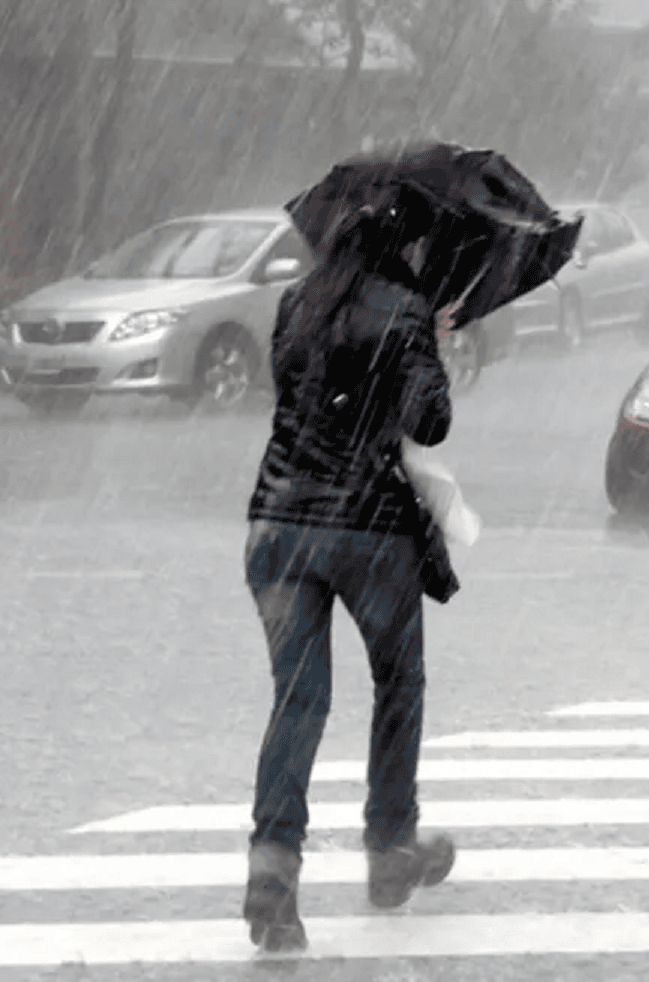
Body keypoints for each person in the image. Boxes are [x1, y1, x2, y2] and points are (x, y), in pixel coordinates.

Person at [241, 188, 458, 953]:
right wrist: (432, 341)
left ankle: (272, 871)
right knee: (398, 684)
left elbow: (294, 399)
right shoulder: (405, 308)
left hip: (278, 526)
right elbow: (428, 421)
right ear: (400, 246)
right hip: (368, 533)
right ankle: (391, 849)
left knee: (297, 703)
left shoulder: (295, 303)